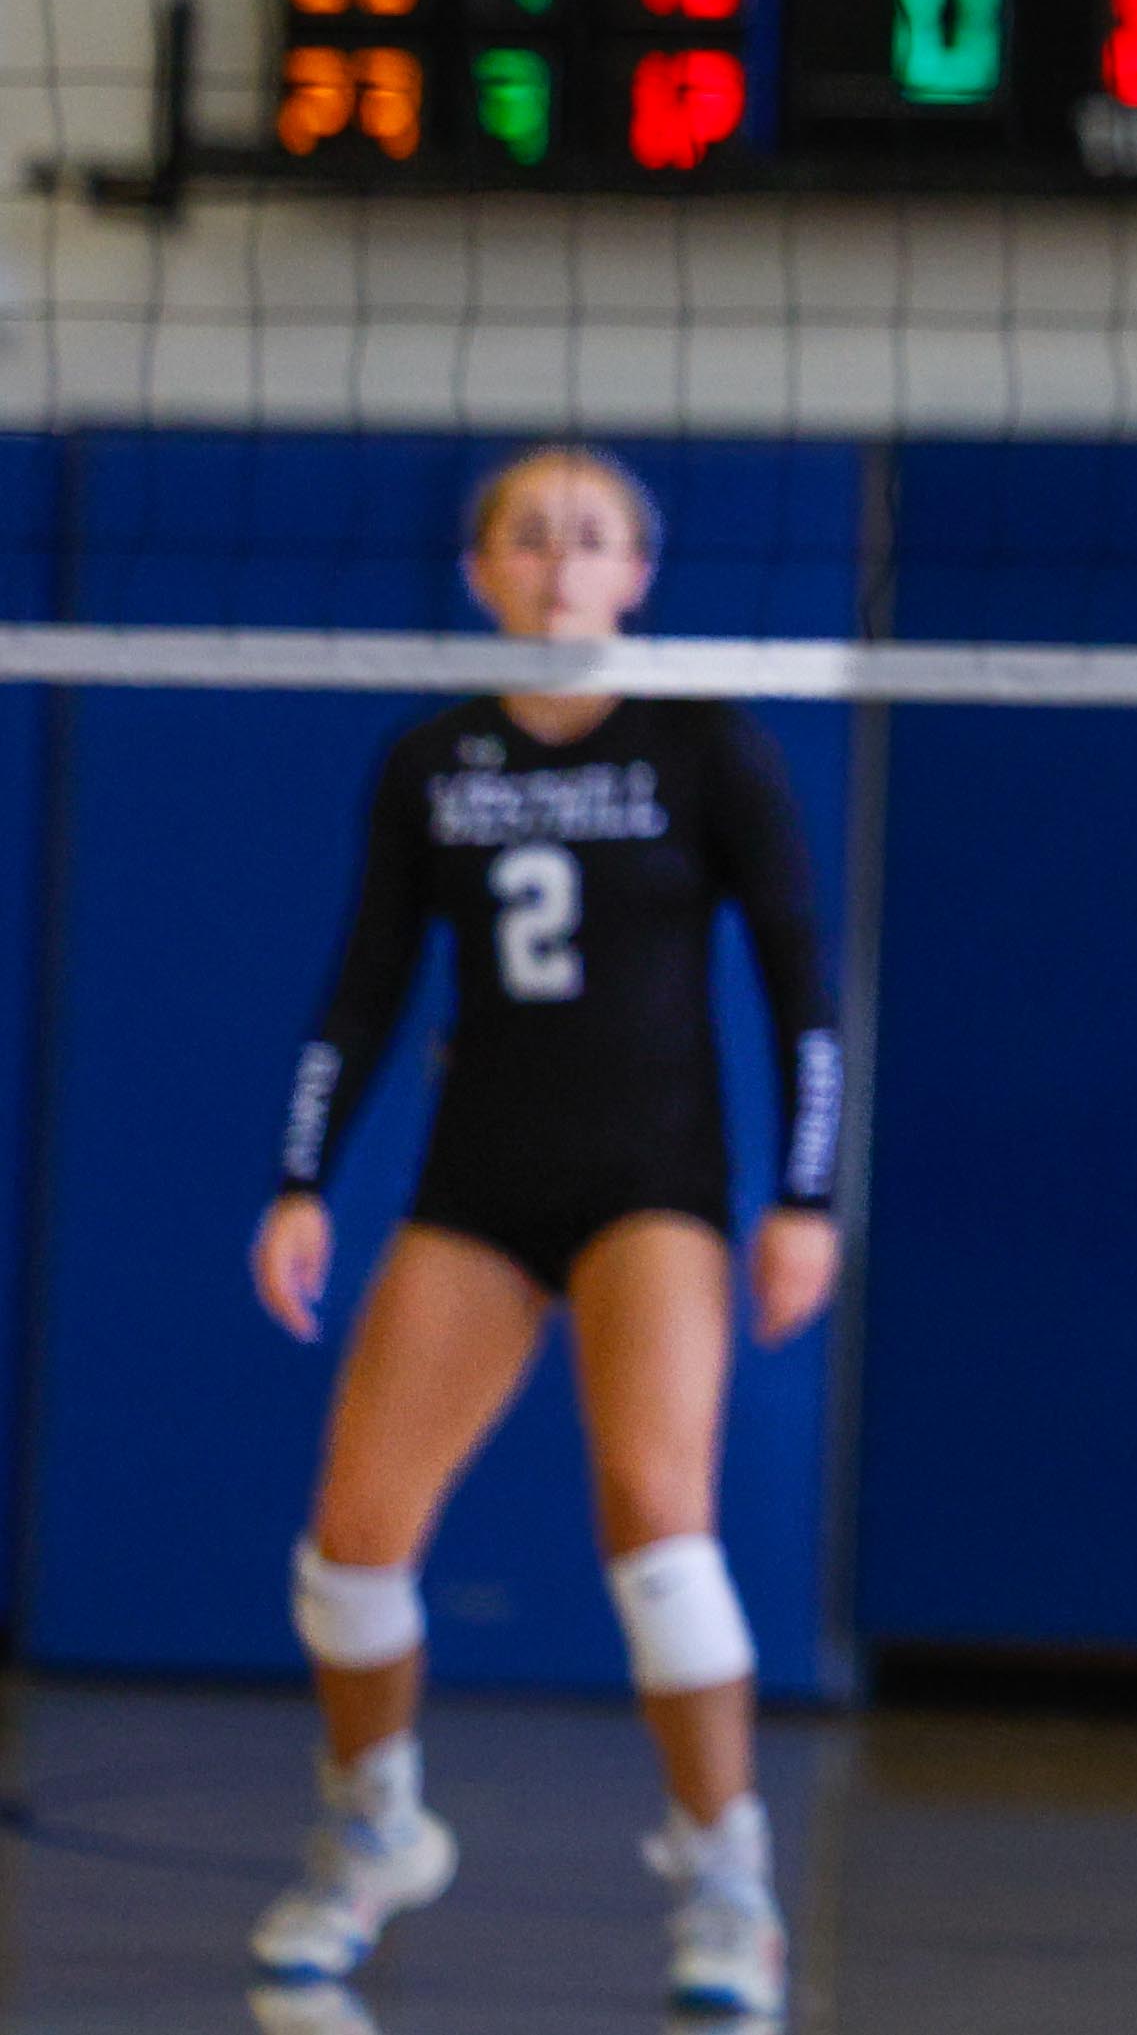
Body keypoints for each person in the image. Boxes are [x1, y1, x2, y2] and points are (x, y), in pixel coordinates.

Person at [248, 444, 843, 2016]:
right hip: (478, 1185)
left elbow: (803, 983)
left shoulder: (706, 743)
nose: (563, 562)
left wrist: (806, 1196)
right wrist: (301, 1177)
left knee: (658, 1516)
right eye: (531, 535)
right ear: (482, 571)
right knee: (353, 1542)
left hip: (655, 1183)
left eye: (594, 538)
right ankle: (375, 1824)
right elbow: (363, 983)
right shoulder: (430, 759)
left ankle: (727, 1879)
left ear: (639, 572)